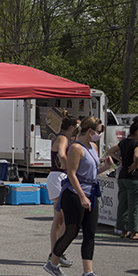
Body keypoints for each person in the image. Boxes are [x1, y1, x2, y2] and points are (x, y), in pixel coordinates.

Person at [44, 116, 113, 276]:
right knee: (71, 231)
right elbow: (72, 173)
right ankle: (53, 262)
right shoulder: (76, 147)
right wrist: (81, 196)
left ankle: (88, 273)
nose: (99, 134)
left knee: (90, 233)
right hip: (74, 193)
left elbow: (91, 173)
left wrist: (106, 167)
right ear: (90, 131)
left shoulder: (93, 147)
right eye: (98, 131)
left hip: (91, 192)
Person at [46, 115, 78, 268]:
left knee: (59, 219)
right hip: (59, 177)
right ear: (71, 127)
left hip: (57, 177)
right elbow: (61, 154)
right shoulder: (63, 139)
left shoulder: (62, 138)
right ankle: (57, 252)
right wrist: (70, 168)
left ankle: (56, 252)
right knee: (62, 219)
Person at [107, 116, 138, 240]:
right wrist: (135, 163)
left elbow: (111, 151)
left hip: (123, 177)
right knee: (135, 205)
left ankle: (122, 230)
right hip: (134, 178)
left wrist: (121, 160)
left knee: (123, 204)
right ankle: (134, 231)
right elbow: (137, 156)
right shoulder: (137, 143)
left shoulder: (123, 142)